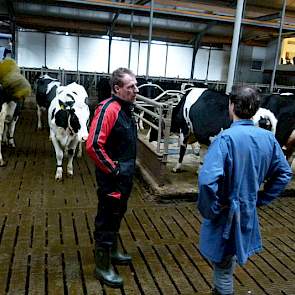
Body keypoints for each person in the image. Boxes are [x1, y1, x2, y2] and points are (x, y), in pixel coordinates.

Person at [197, 86, 292, 295]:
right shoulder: (268, 139)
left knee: (222, 270)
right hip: (247, 212)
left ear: (231, 106)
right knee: (227, 263)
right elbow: (284, 173)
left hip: (224, 214)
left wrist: (210, 210)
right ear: (256, 108)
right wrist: (261, 198)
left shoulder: (225, 139)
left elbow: (206, 181)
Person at [86, 67, 138, 288]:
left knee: (117, 214)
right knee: (107, 218)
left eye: (136, 85)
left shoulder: (125, 108)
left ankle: (113, 251)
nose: (136, 90)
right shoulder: (108, 110)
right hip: (113, 179)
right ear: (117, 89)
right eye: (131, 87)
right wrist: (114, 169)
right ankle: (102, 266)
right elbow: (92, 145)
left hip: (124, 176)